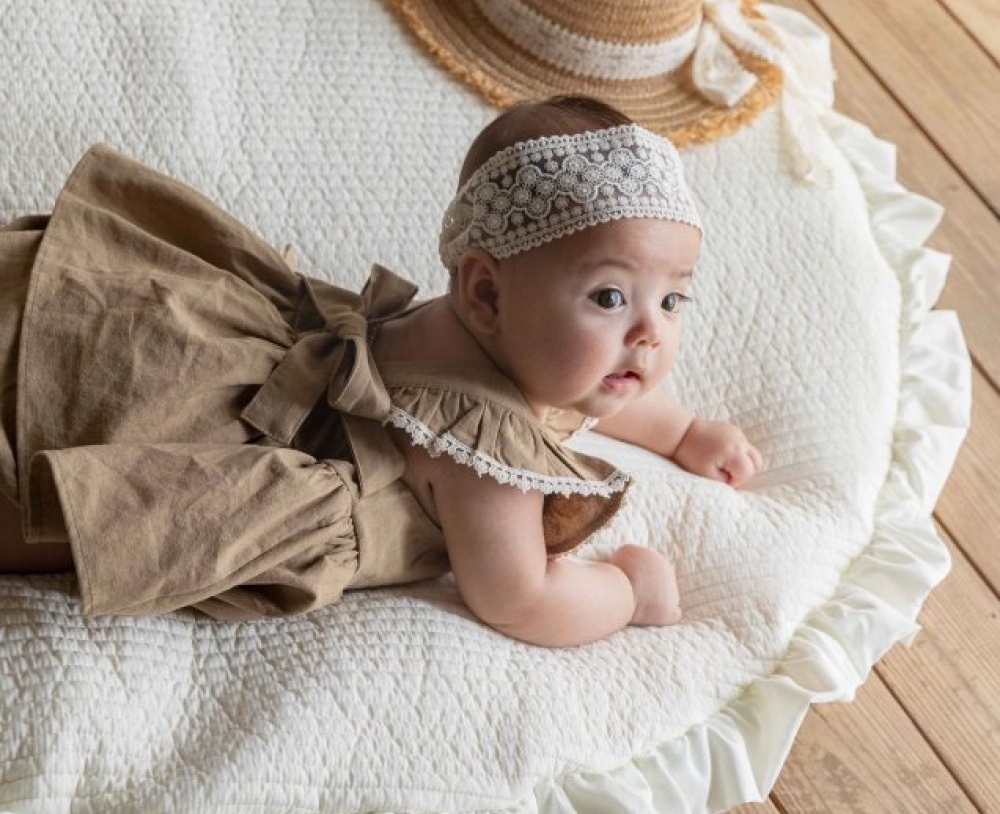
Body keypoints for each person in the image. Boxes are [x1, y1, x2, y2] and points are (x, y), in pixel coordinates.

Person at [0, 94, 760, 644]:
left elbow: (596, 386)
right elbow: (519, 598)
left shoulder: (500, 332)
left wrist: (683, 430)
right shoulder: (482, 456)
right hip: (243, 449)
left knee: (106, 335)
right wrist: (628, 591)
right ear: (486, 293)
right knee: (77, 511)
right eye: (610, 297)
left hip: (235, 362)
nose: (649, 334)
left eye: (673, 299)